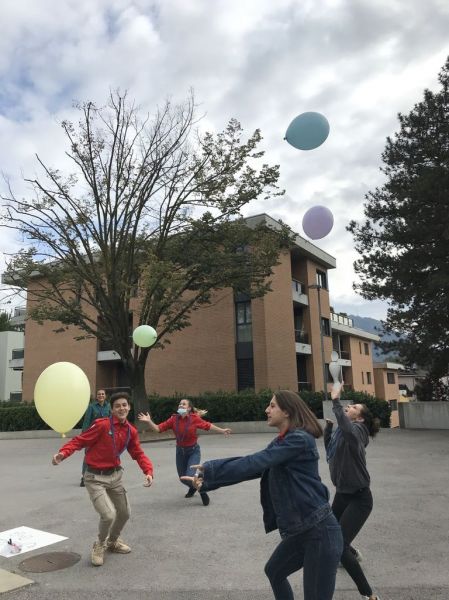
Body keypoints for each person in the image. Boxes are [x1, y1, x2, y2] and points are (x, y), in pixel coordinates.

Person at [181, 390, 343, 600]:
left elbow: (256, 461)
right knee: (274, 571)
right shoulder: (283, 441)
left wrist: (211, 470)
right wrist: (207, 479)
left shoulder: (299, 440)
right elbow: (256, 466)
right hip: (303, 531)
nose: (267, 410)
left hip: (319, 532)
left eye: (272, 405)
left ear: (287, 411)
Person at [52, 391, 153, 567]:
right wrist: (63, 453)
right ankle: (99, 545)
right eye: (117, 406)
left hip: (115, 476)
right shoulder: (101, 425)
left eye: (124, 405)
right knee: (108, 515)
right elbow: (80, 440)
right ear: (112, 409)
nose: (121, 408)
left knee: (125, 513)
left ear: (129, 407)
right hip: (94, 477)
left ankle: (112, 541)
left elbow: (137, 453)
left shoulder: (131, 431)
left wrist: (148, 471)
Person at [324, 384, 381, 600]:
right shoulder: (342, 431)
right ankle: (351, 552)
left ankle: (370, 595)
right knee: (330, 532)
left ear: (360, 418)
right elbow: (330, 452)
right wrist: (329, 430)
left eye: (354, 406)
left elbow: (347, 429)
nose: (349, 406)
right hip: (343, 494)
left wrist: (336, 401)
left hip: (359, 497)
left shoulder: (358, 432)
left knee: (338, 546)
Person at [138, 398, 231, 506]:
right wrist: (149, 421)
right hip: (180, 452)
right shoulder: (173, 419)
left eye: (184, 404)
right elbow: (158, 429)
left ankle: (203, 490)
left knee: (190, 475)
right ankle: (193, 487)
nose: (181, 405)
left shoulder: (194, 418)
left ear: (189, 408)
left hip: (193, 451)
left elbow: (208, 426)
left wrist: (222, 430)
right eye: (180, 404)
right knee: (183, 478)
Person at [80, 389, 112, 486]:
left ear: (105, 396)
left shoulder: (109, 406)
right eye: (99, 394)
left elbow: (111, 420)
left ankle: (104, 476)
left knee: (105, 455)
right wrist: (84, 437)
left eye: (102, 394)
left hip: (105, 435)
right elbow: (86, 422)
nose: (101, 396)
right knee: (88, 455)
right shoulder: (91, 407)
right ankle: (84, 477)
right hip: (93, 435)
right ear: (96, 396)